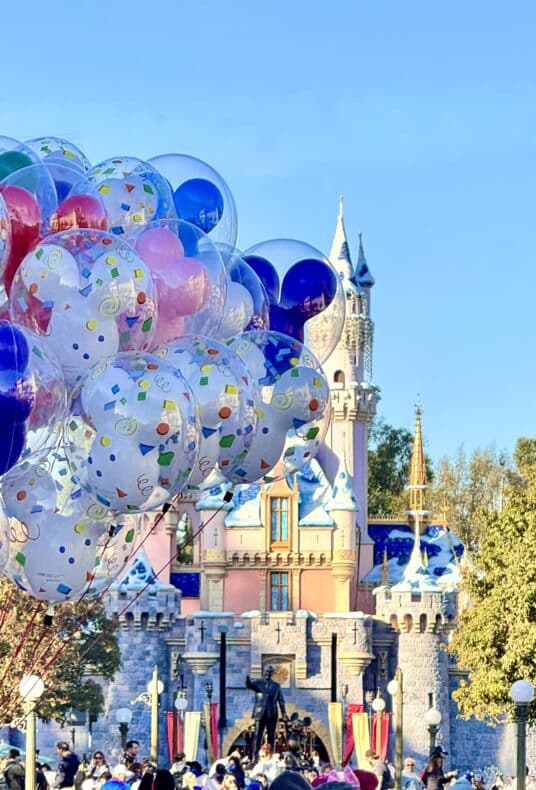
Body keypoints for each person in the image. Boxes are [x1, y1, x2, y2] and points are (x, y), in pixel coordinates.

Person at [246, 666, 288, 756]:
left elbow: (281, 700)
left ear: (272, 674)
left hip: (271, 713)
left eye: (269, 672)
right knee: (257, 735)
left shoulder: (276, 686)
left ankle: (270, 755)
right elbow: (249, 685)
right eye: (266, 672)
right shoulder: (258, 683)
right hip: (260, 712)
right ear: (263, 672)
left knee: (271, 735)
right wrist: (247, 678)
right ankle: (255, 756)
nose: (267, 674)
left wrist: (284, 713)